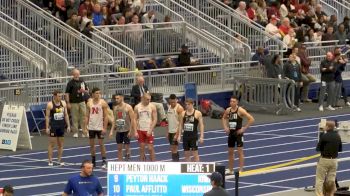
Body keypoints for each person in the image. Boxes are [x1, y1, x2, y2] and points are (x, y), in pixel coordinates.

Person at [222, 96, 254, 174]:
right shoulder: (228, 110)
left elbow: (251, 119)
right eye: (231, 101)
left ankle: (240, 169)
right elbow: (223, 118)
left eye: (233, 101)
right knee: (230, 152)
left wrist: (244, 128)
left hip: (238, 134)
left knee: (240, 152)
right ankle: (230, 170)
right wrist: (225, 127)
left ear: (237, 102)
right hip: (231, 133)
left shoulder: (240, 110)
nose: (231, 103)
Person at [315, 120, 342, 196]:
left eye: (325, 126)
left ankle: (319, 194)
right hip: (334, 160)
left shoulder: (324, 136)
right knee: (331, 179)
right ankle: (332, 193)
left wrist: (321, 133)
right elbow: (340, 149)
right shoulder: (338, 136)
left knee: (320, 179)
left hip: (324, 160)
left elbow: (318, 148)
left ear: (327, 127)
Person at [45, 90, 71, 166]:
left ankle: (59, 160)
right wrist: (47, 127)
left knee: (61, 144)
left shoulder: (63, 103)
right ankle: (50, 160)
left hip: (61, 126)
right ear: (55, 96)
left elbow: (66, 115)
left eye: (61, 96)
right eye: (59, 96)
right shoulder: (50, 104)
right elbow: (47, 117)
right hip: (53, 127)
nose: (60, 97)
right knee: (52, 144)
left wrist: (68, 125)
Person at [86, 87, 109, 168]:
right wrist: (86, 127)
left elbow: (106, 116)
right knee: (92, 145)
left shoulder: (103, 103)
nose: (98, 95)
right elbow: (87, 115)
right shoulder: (89, 103)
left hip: (100, 127)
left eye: (99, 93)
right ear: (92, 94)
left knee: (101, 144)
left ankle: (104, 160)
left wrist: (105, 128)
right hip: (91, 127)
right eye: (96, 93)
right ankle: (93, 160)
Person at [109, 93, 136, 161]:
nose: (116, 100)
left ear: (122, 98)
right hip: (119, 130)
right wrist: (111, 131)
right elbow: (114, 120)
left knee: (127, 147)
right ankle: (120, 162)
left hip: (126, 130)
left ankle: (128, 158)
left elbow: (132, 119)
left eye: (118, 98)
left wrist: (131, 131)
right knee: (119, 148)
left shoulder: (128, 107)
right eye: (115, 98)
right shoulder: (115, 108)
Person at [65, 68, 89, 138]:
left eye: (78, 74)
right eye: (75, 74)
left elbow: (87, 91)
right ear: (73, 75)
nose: (76, 75)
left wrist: (83, 91)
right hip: (73, 102)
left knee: (84, 117)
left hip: (82, 101)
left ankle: (85, 131)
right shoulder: (70, 83)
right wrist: (68, 102)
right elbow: (67, 93)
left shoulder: (82, 81)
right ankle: (75, 132)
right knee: (75, 117)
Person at [134, 93, 157, 161]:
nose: (149, 101)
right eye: (147, 99)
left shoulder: (152, 106)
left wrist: (150, 129)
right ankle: (142, 164)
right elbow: (134, 120)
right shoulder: (137, 107)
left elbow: (155, 119)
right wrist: (135, 131)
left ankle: (153, 164)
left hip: (148, 129)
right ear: (142, 98)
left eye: (150, 99)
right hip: (140, 130)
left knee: (150, 148)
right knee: (142, 148)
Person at [166, 94, 184, 162]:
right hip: (170, 131)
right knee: (172, 149)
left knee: (174, 148)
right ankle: (175, 161)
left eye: (174, 102)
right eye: (171, 102)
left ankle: (176, 163)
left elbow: (181, 123)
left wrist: (177, 134)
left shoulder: (179, 108)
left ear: (176, 100)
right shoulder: (169, 107)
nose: (173, 103)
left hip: (176, 131)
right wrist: (167, 131)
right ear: (169, 101)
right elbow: (168, 121)